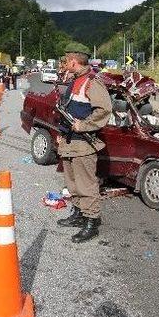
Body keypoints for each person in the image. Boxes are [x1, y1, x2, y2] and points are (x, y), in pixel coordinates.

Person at [56, 43, 112, 243]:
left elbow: (104, 110)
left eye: (66, 60)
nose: (64, 64)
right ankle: (79, 214)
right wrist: (62, 133)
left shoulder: (91, 82)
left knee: (86, 184)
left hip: (83, 143)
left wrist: (84, 125)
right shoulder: (75, 80)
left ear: (73, 61)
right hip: (69, 141)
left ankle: (91, 222)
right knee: (72, 183)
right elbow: (68, 110)